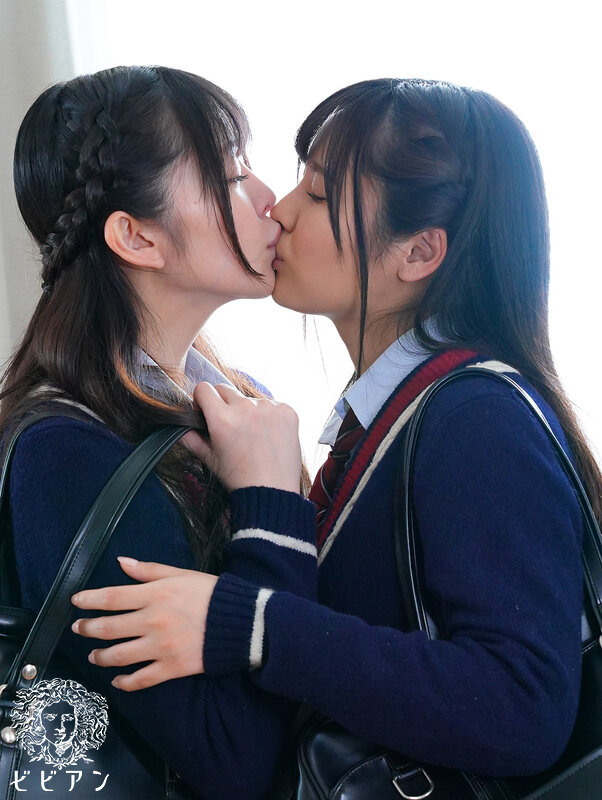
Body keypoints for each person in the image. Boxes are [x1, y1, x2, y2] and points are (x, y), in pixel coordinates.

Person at [72, 77, 602, 780]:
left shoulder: (476, 416)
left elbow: (522, 707)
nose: (280, 208)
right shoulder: (400, 413)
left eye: (319, 195)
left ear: (419, 254)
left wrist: (252, 624)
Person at [0, 65, 316, 800]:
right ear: (138, 237)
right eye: (231, 175)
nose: (269, 199)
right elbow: (231, 764)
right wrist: (270, 507)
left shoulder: (233, 400)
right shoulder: (68, 454)